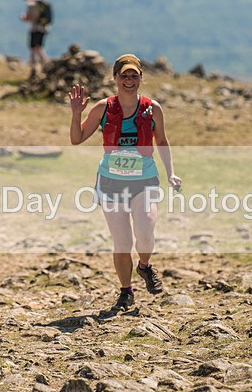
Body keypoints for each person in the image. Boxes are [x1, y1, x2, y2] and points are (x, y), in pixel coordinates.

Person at [69, 54, 181, 310]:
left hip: (145, 181)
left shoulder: (153, 108)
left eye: (134, 76)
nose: (129, 80)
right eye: (124, 76)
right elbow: (77, 139)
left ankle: (144, 266)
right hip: (111, 183)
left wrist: (171, 173)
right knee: (122, 243)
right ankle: (125, 291)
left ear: (141, 78)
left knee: (145, 232)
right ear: (115, 78)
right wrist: (76, 114)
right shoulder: (103, 108)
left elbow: (162, 141)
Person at [19, 0, 48, 70]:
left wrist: (24, 17)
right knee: (38, 47)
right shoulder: (41, 1)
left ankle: (34, 65)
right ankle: (43, 64)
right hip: (43, 27)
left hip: (36, 28)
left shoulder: (32, 4)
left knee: (34, 47)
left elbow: (32, 17)